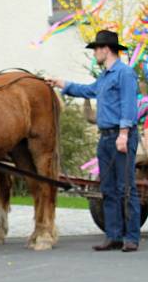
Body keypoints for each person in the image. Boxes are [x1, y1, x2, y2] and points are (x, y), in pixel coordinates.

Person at [47, 29, 141, 252]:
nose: (95, 53)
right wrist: (62, 83)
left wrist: (124, 134)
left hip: (121, 136)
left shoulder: (124, 73)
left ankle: (131, 237)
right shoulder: (105, 76)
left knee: (126, 188)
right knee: (107, 188)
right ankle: (113, 235)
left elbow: (129, 105)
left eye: (96, 49)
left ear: (106, 50)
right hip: (106, 138)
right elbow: (88, 90)